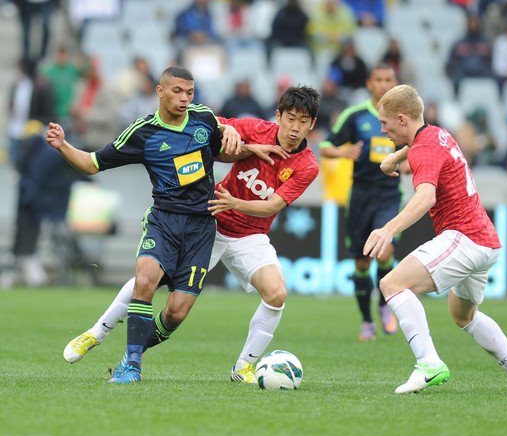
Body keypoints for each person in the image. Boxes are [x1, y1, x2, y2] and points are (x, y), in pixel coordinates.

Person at [61, 85, 322, 385]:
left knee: (276, 295)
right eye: (291, 118)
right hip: (208, 224)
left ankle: (243, 367)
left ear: (312, 124)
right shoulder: (256, 129)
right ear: (278, 115)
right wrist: (228, 129)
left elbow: (272, 206)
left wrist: (234, 203)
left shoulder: (307, 165)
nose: (295, 128)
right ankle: (97, 332)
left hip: (250, 235)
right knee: (149, 279)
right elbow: (207, 122)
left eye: (303, 121)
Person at [47, 66, 248, 384]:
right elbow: (93, 164)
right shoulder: (143, 133)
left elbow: (222, 149)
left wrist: (237, 135)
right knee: (145, 280)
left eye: (189, 92)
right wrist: (62, 145)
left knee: (176, 313)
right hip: (164, 221)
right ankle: (132, 366)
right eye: (177, 91)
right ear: (160, 91)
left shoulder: (204, 118)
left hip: (201, 227)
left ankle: (130, 352)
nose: (184, 98)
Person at [363, 84, 507, 395]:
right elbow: (418, 145)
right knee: (463, 315)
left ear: (402, 119)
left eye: (385, 123)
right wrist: (394, 158)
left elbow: (425, 197)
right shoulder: (438, 133)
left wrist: (388, 229)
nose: (382, 129)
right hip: (486, 241)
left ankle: (428, 363)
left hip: (464, 237)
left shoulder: (424, 149)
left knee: (392, 284)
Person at [319, 63, 400, 342]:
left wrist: (409, 163)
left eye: (388, 79)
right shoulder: (355, 116)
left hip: (389, 194)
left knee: (385, 251)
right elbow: (325, 146)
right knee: (362, 263)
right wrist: (343, 153)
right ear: (369, 84)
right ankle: (367, 321)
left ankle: (385, 304)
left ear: (395, 83)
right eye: (379, 79)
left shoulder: (403, 117)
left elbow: (417, 148)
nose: (383, 84)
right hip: (361, 195)